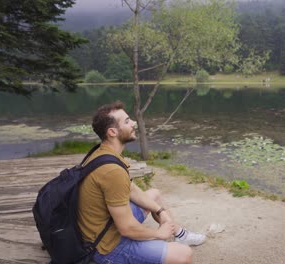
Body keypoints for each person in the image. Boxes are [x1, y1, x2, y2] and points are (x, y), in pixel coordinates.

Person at [78, 101, 206, 264]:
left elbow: (131, 190)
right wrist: (160, 234)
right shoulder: (111, 170)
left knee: (154, 195)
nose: (134, 123)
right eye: (127, 121)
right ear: (112, 132)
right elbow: (126, 228)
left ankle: (180, 235)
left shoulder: (103, 153)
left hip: (104, 227)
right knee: (184, 255)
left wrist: (160, 211)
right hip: (107, 247)